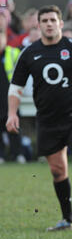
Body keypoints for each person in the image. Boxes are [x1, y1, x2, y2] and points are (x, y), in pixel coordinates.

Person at [6, 5, 72, 231]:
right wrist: (12, 113)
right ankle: (67, 219)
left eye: (53, 20)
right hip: (48, 120)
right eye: (45, 21)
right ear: (39, 25)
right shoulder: (30, 53)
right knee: (58, 171)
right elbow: (16, 87)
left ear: (61, 24)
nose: (49, 24)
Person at [0, 29, 26, 164]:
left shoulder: (13, 52)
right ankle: (1, 156)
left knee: (14, 126)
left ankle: (18, 154)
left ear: (5, 39)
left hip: (10, 97)